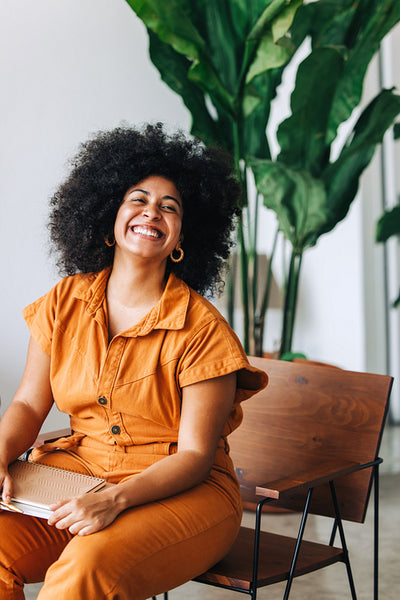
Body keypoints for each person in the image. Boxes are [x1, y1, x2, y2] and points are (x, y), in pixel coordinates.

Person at [0, 123, 268, 600]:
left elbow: (194, 456)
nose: (152, 213)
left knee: (86, 567)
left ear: (184, 234)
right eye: (138, 200)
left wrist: (113, 499)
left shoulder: (203, 330)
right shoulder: (64, 301)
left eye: (170, 207)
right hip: (77, 473)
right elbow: (26, 403)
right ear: (110, 215)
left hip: (184, 491)